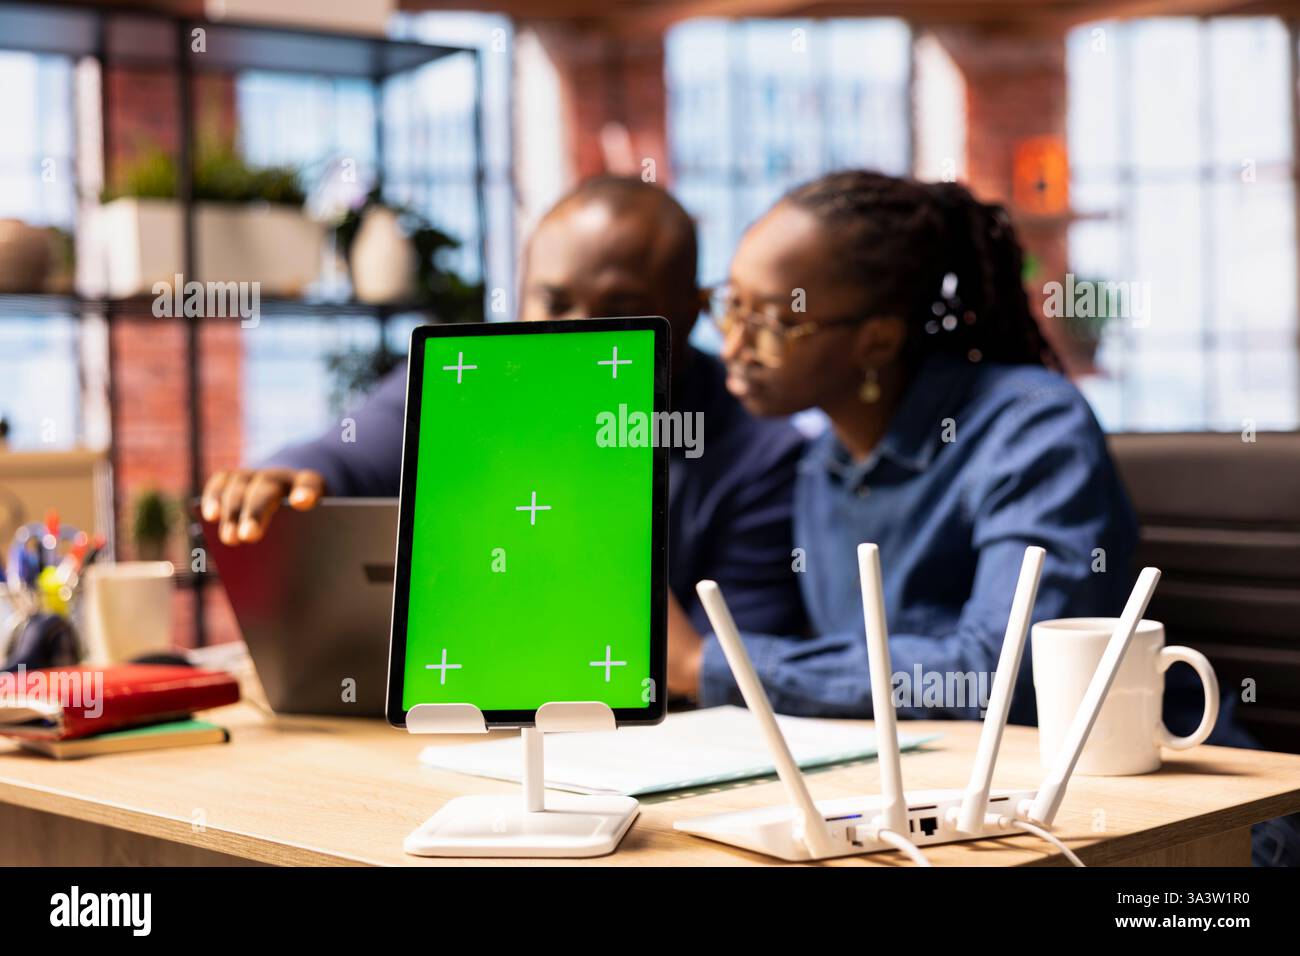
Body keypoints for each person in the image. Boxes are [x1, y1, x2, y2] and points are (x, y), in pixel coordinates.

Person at [664, 169, 1300, 867]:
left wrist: (709, 664)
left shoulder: (1031, 426)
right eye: (731, 307)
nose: (732, 344)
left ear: (876, 341)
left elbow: (1001, 674)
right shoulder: (822, 467)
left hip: (1170, 820)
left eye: (774, 321)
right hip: (968, 810)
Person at [201, 176, 808, 638]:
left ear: (692, 310)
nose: (579, 335)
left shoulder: (759, 452)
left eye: (620, 307)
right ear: (520, 294)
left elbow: (731, 667)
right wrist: (288, 474)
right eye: (555, 300)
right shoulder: (467, 383)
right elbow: (348, 452)